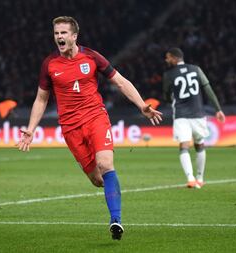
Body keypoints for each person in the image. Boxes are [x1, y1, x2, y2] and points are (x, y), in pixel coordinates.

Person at [18, 16, 162, 240]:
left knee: (105, 164)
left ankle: (116, 220)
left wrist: (142, 105)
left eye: (64, 33)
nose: (59, 37)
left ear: (74, 36)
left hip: (95, 117)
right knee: (97, 179)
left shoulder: (92, 57)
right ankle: (112, 193)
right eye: (56, 33)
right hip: (70, 127)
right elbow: (41, 99)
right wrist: (31, 128)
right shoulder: (49, 64)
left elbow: (121, 81)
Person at [163, 47, 226, 189]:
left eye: (168, 57)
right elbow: (208, 89)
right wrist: (218, 109)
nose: (166, 60)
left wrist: (169, 97)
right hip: (198, 113)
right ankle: (200, 178)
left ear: (174, 58)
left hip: (180, 114)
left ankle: (190, 179)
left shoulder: (169, 74)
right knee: (200, 144)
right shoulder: (196, 69)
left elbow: (166, 95)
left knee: (184, 145)